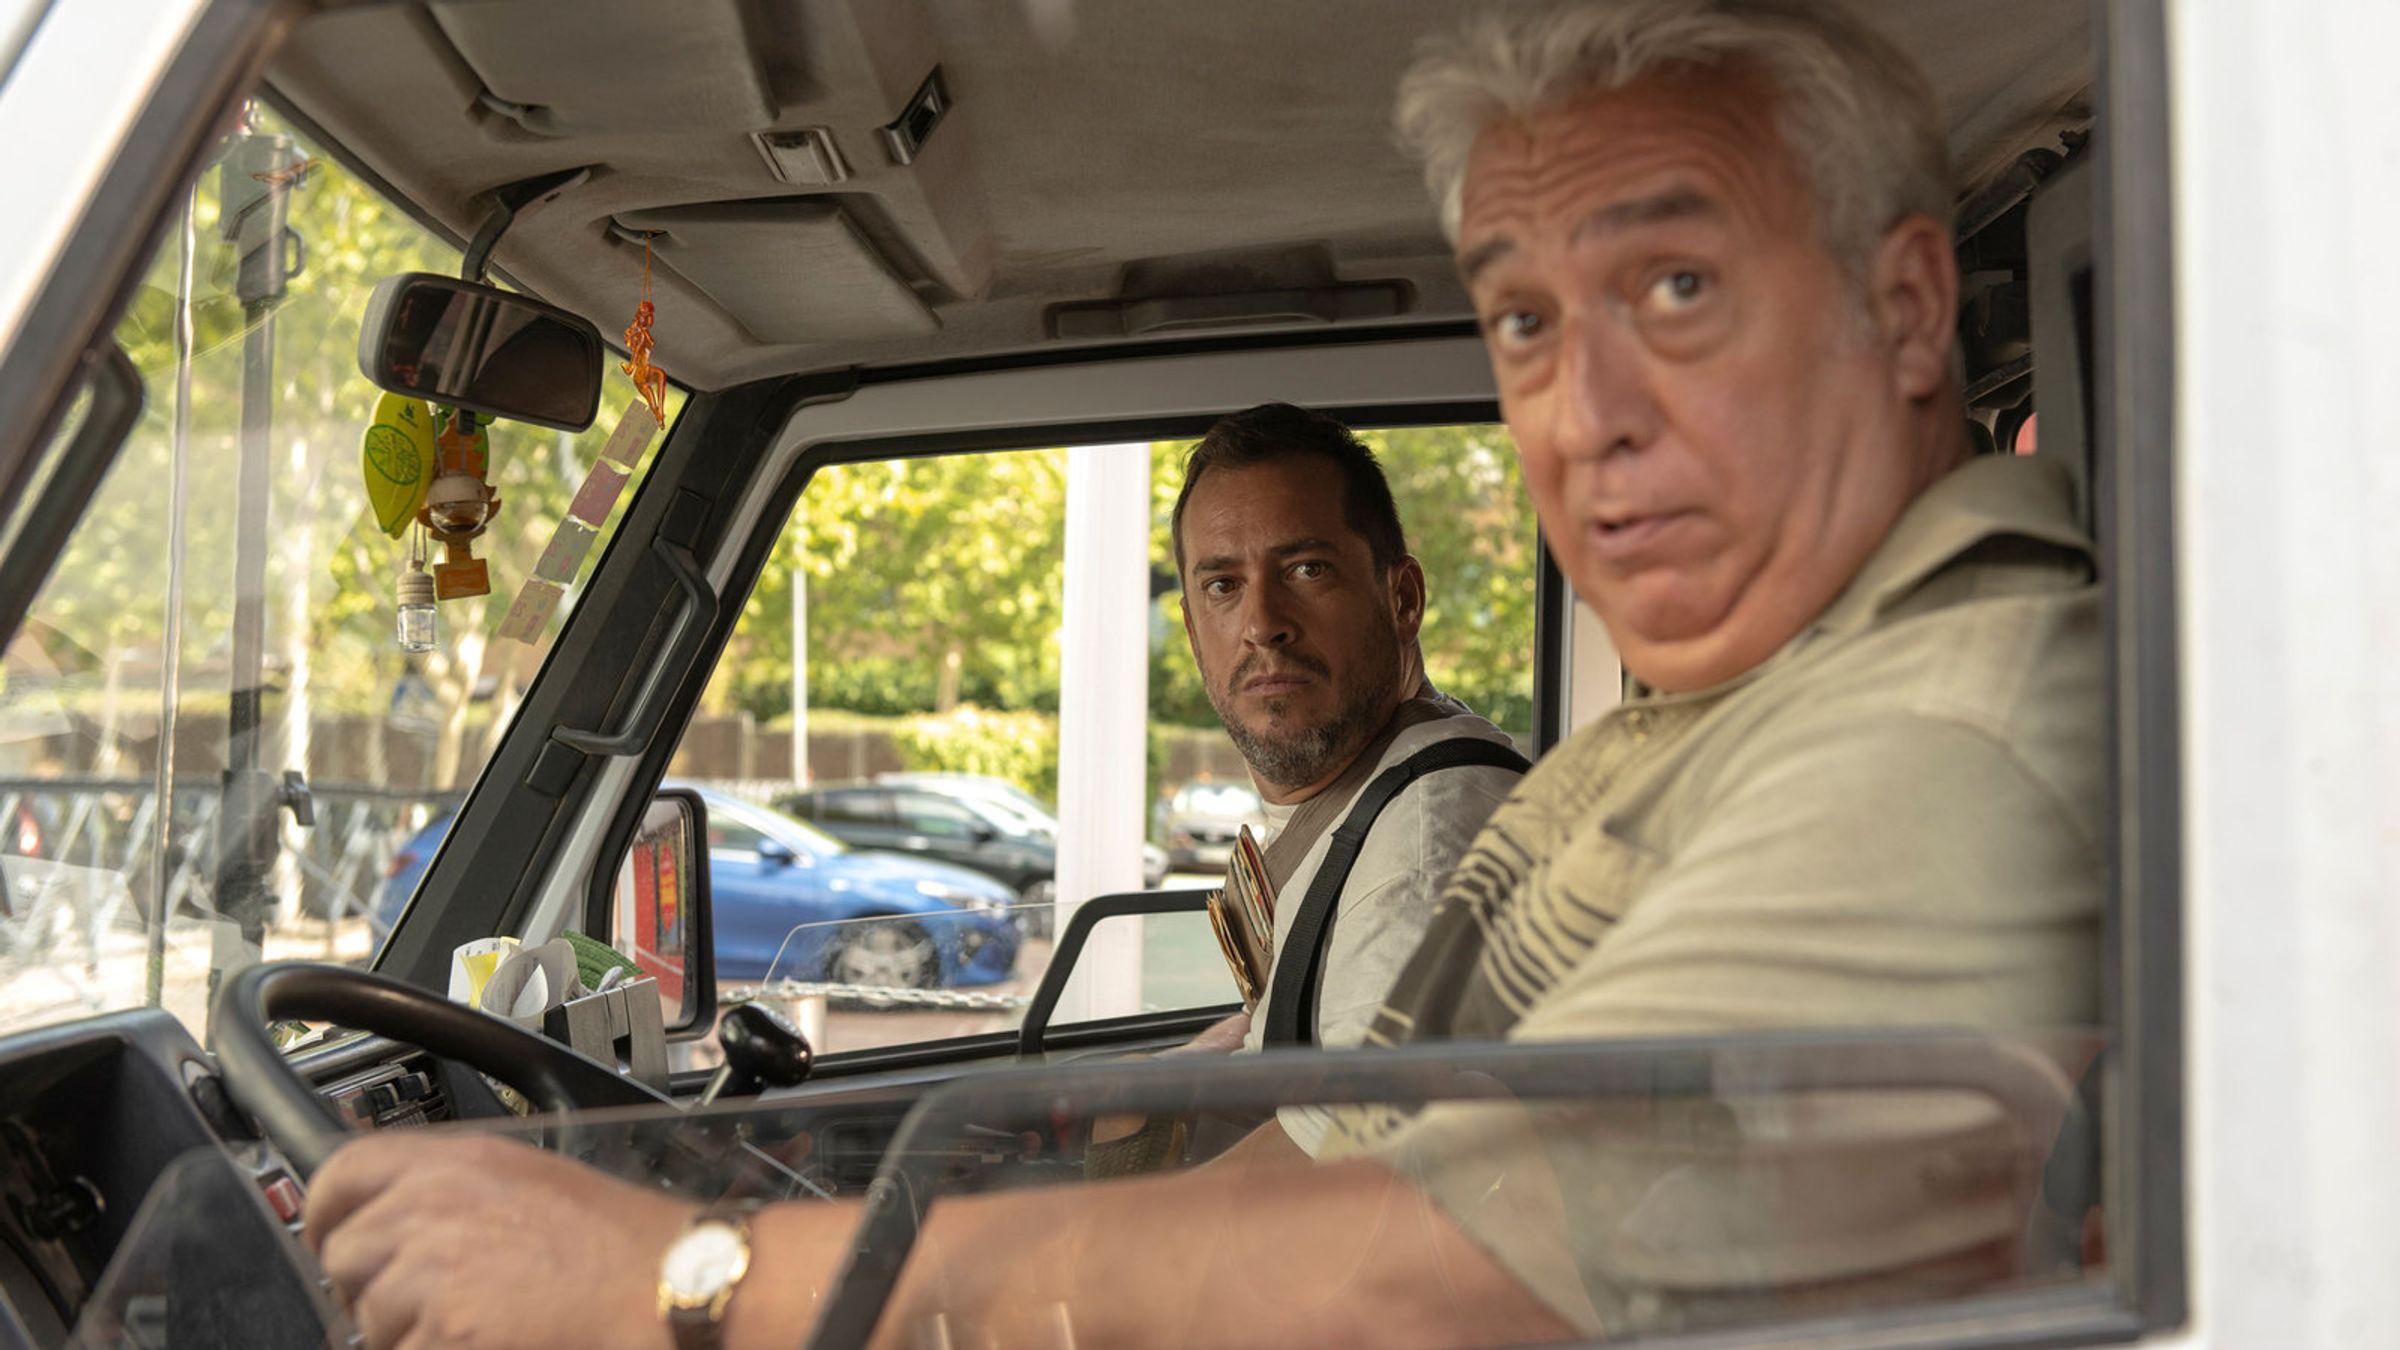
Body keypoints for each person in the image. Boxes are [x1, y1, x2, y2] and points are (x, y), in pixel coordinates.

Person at [305, 2, 2103, 1345]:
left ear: (1906, 309)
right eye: (1528, 322)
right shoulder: (1677, 745)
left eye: (1680, 288)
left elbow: (1424, 1281)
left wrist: (689, 1281)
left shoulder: (1947, 739)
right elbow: (1340, 1158)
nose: (1588, 414)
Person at [1087, 402, 1527, 1168]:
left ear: (1403, 600)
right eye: (1222, 585)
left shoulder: (1426, 837)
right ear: (1191, 629)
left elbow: (1352, 1191)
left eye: (1306, 570)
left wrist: (1053, 1232)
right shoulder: (1363, 796)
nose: (1262, 622)